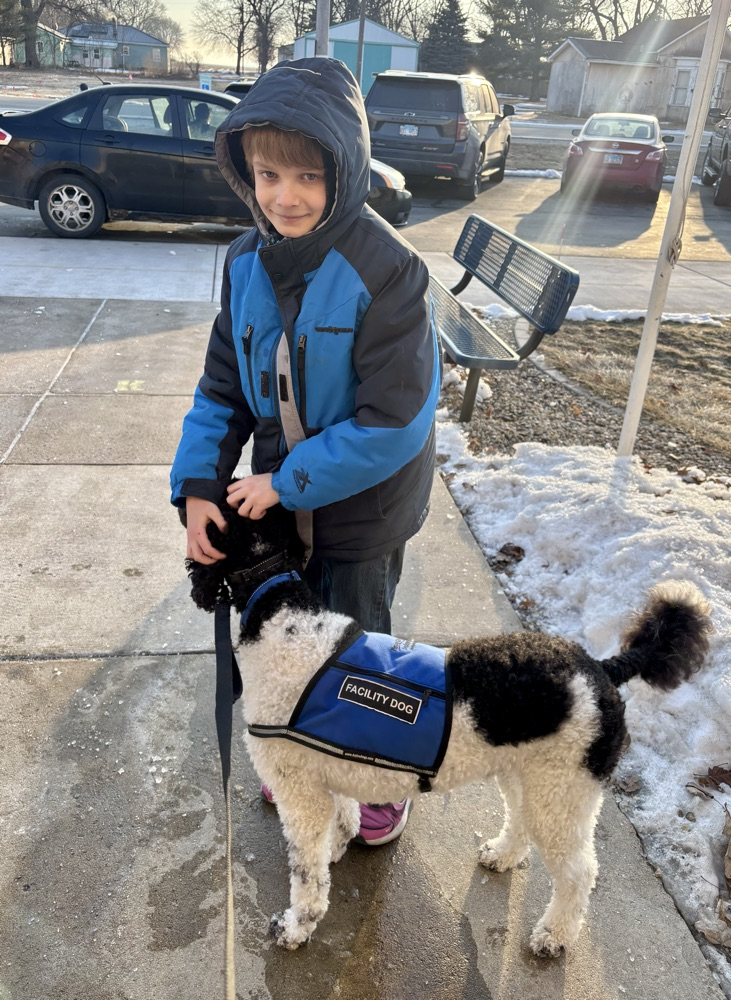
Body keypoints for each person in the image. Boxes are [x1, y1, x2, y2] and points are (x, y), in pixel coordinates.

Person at [170, 57, 441, 846]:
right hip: (278, 496)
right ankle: (307, 760)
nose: (284, 196)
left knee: (358, 643)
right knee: (291, 640)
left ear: (344, 172)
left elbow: (395, 422)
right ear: (243, 173)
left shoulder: (387, 269)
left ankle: (381, 777)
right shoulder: (245, 260)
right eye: (266, 174)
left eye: (306, 177)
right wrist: (197, 485)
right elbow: (221, 385)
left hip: (364, 503)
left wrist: (286, 482)